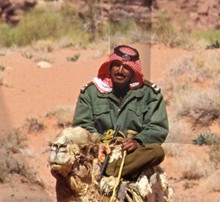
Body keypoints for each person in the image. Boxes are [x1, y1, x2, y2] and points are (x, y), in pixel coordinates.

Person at [71, 43, 168, 179]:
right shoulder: (91, 92)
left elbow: (157, 128)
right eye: (116, 65)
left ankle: (110, 170)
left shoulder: (150, 94)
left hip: (131, 155)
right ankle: (115, 169)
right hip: (96, 151)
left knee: (157, 151)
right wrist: (98, 143)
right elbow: (81, 125)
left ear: (134, 72)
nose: (120, 71)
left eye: (127, 67)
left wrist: (138, 142)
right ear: (109, 67)